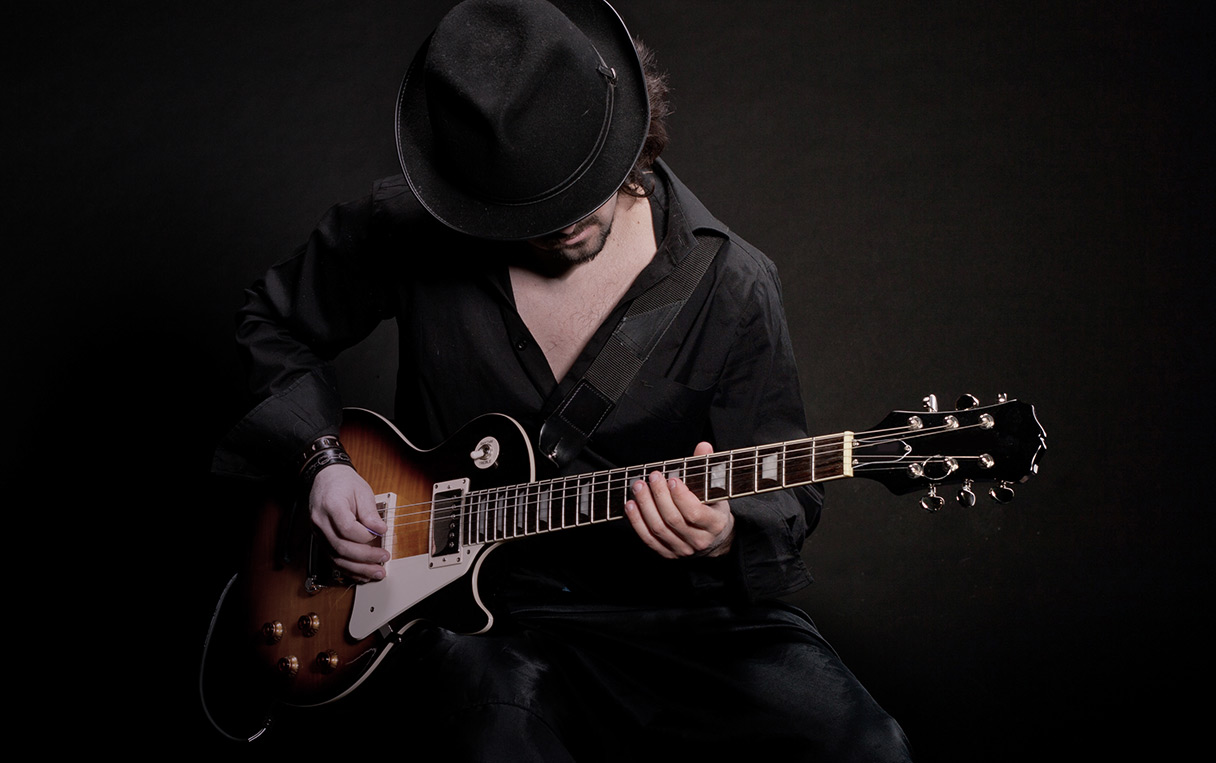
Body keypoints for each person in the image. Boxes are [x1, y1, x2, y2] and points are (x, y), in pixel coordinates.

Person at [215, 0, 911, 759]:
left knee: (864, 747)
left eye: (581, 190)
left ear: (628, 137)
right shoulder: (410, 231)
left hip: (678, 616)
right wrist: (321, 462)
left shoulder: (733, 284)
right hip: (481, 620)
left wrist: (723, 530)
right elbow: (270, 322)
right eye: (527, 213)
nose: (562, 224)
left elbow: (786, 490)